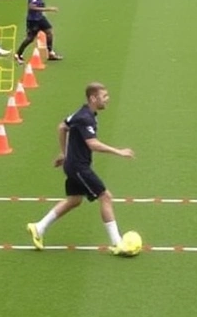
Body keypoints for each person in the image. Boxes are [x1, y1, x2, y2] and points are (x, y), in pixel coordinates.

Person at [27, 82, 135, 254]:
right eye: (104, 96)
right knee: (105, 197)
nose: (108, 99)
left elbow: (62, 126)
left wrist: (64, 153)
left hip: (74, 165)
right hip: (78, 167)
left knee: (74, 200)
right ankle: (117, 243)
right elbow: (92, 144)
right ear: (93, 98)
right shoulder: (85, 118)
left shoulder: (84, 113)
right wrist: (119, 152)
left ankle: (39, 227)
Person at [14, 0, 62, 65]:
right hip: (34, 19)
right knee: (30, 38)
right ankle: (18, 54)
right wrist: (48, 9)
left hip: (39, 17)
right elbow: (31, 6)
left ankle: (51, 53)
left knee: (49, 31)